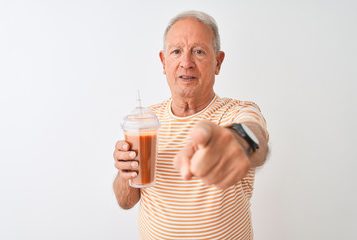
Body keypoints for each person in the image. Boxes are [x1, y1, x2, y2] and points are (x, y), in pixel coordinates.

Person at [113, 10, 269, 240]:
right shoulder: (146, 122)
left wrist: (236, 141)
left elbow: (255, 138)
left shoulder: (237, 112)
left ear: (217, 61)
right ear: (164, 62)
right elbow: (125, 202)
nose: (186, 63)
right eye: (176, 51)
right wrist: (125, 172)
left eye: (198, 52)